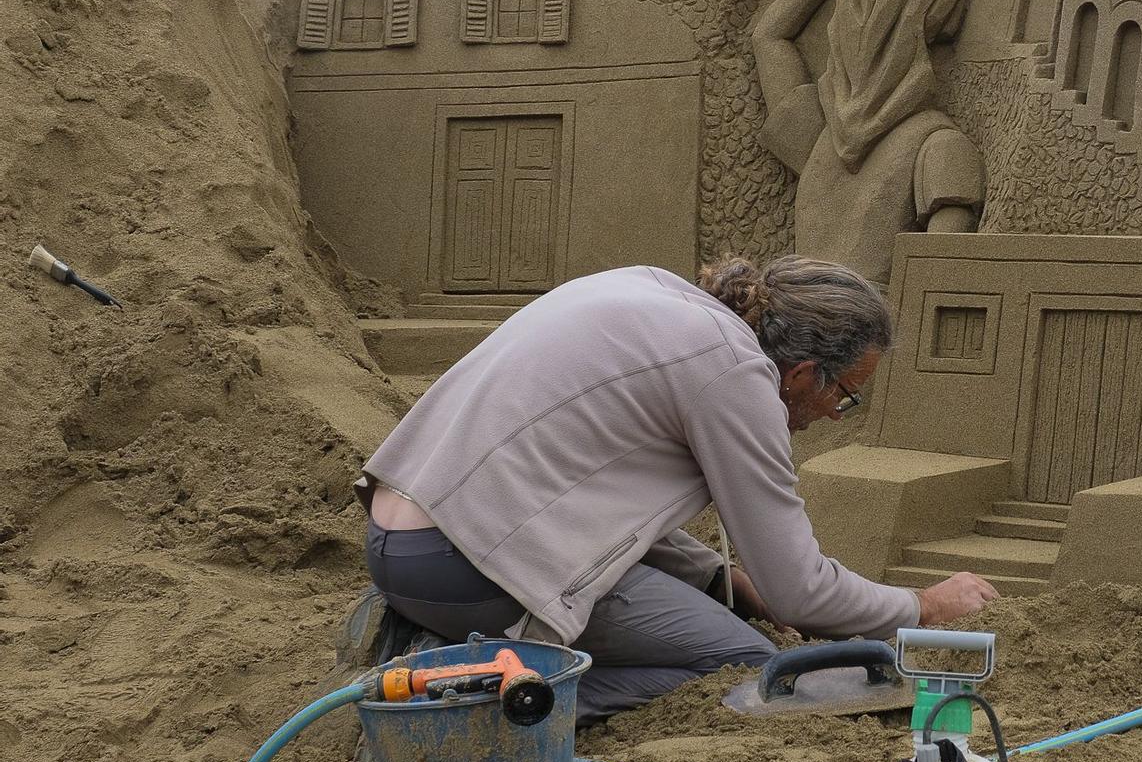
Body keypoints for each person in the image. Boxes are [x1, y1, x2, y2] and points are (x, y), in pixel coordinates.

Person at [349, 254, 999, 723]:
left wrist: (727, 583)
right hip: (473, 567)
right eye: (845, 394)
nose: (835, 412)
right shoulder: (736, 377)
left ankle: (435, 643)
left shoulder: (658, 296)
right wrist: (924, 606)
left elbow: (598, 506)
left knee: (727, 621)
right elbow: (798, 588)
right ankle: (478, 698)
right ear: (801, 373)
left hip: (398, 544)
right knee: (743, 664)